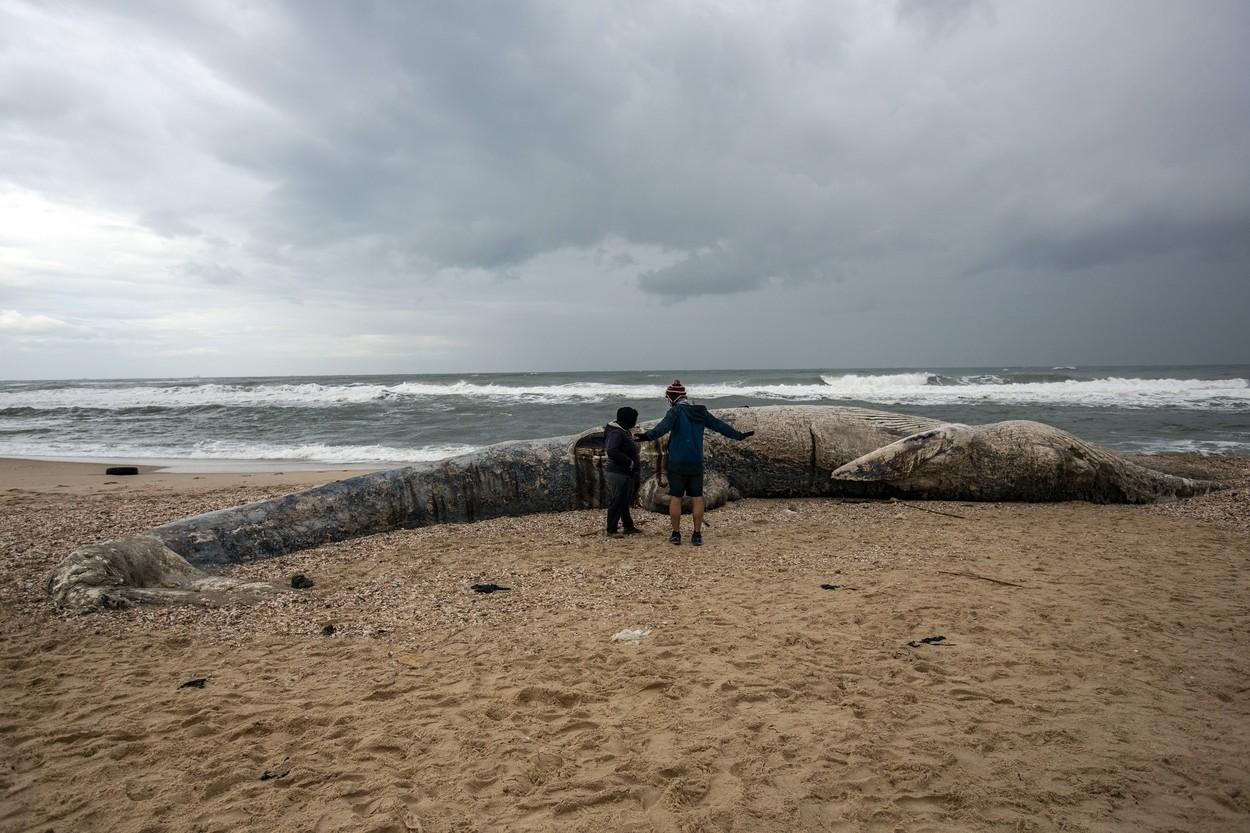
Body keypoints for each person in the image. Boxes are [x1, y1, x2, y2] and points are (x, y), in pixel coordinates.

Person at [636, 380, 754, 546]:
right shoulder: (701, 412)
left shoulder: (675, 412)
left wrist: (645, 436)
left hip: (677, 463)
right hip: (695, 462)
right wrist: (739, 435)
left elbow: (661, 429)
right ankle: (697, 535)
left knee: (676, 498)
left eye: (668, 398)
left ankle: (676, 534)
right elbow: (720, 426)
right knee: (697, 498)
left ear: (672, 398)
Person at [603, 406, 642, 537]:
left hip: (624, 472)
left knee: (624, 500)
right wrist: (629, 462)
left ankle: (628, 526)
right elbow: (612, 450)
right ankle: (611, 529)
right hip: (618, 472)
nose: (635, 422)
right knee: (617, 500)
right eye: (634, 420)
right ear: (628, 420)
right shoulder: (617, 433)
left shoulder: (621, 430)